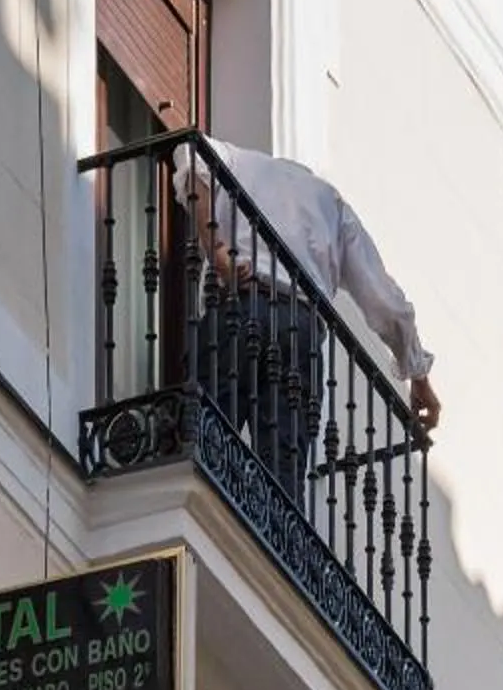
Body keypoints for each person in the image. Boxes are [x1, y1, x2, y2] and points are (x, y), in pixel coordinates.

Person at [174, 140, 441, 506]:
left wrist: (217, 249)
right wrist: (418, 374)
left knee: (201, 439)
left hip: (241, 307)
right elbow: (385, 300)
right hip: (300, 331)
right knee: (283, 471)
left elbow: (191, 157)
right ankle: (271, 549)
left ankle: (190, 509)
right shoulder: (330, 204)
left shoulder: (237, 160)